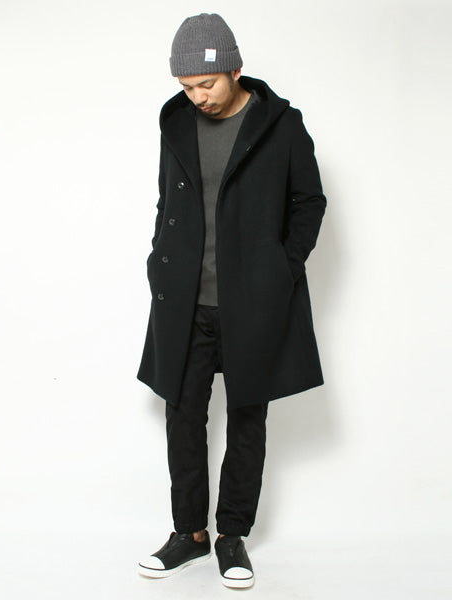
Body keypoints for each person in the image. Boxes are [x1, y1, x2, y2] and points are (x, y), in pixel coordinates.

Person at [136, 12, 327, 589]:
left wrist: (282, 268)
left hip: (253, 302)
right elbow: (167, 201)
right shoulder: (176, 122)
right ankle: (189, 534)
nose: (198, 97)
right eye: (187, 86)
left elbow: (309, 202)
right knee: (182, 416)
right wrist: (158, 256)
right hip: (184, 301)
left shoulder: (281, 125)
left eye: (207, 83)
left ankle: (231, 536)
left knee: (247, 417)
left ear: (235, 69)